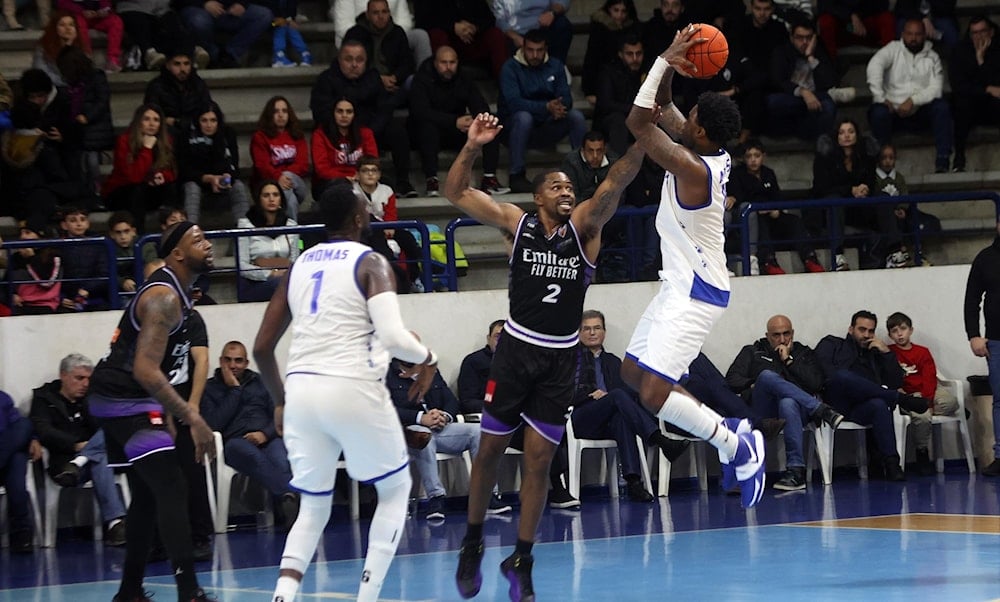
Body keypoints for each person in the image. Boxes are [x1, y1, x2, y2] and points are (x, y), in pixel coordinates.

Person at [445, 107, 644, 598]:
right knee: (490, 448)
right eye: (555, 187)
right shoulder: (516, 224)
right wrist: (472, 146)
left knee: (539, 459)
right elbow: (455, 193)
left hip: (560, 359)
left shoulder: (586, 231)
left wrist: (645, 139)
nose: (566, 192)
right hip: (514, 352)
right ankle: (472, 542)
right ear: (537, 198)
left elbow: (614, 183)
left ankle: (523, 556)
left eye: (569, 187)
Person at [253, 180, 438, 602]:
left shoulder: (298, 265)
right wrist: (429, 357)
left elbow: (261, 347)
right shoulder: (371, 262)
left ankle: (283, 595)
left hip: (301, 391)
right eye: (365, 206)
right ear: (359, 218)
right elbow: (393, 337)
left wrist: (280, 401)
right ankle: (367, 597)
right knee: (394, 491)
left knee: (313, 505)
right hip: (351, 385)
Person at [618, 24, 766, 511]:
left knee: (654, 394)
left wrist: (661, 60)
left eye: (692, 116)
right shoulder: (704, 147)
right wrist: (675, 66)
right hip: (678, 287)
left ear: (698, 131)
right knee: (632, 374)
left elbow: (640, 124)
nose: (685, 119)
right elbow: (664, 109)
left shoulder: (694, 168)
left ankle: (735, 442)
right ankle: (731, 433)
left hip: (695, 293)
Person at [86, 221, 217, 601]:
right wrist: (192, 417)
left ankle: (129, 591)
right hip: (118, 398)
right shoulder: (163, 298)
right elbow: (145, 369)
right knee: (172, 485)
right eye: (199, 240)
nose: (208, 245)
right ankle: (189, 592)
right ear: (177, 253)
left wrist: (164, 414)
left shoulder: (179, 292)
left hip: (137, 399)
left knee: (148, 493)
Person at [571, 309, 689, 502]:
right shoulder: (569, 360)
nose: (592, 333)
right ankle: (660, 440)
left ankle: (633, 482)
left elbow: (630, 393)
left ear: (604, 332)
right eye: (587, 329)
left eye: (597, 328)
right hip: (581, 416)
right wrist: (590, 395)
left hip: (609, 418)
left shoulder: (614, 362)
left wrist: (609, 397)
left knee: (621, 418)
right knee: (617, 396)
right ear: (579, 333)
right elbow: (562, 393)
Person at [725, 315, 844, 491]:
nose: (782, 339)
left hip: (797, 411)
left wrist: (789, 362)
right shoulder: (753, 351)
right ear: (767, 335)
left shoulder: (803, 353)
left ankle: (795, 472)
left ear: (793, 333)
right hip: (762, 410)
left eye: (786, 333)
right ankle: (822, 410)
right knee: (766, 376)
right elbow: (731, 380)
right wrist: (753, 384)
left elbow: (817, 383)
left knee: (787, 402)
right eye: (776, 335)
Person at [384, 353, 511, 519]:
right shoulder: (385, 375)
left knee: (478, 432)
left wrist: (444, 416)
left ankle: (487, 496)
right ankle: (436, 498)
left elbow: (451, 401)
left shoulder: (430, 371)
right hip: (408, 432)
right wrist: (421, 418)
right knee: (424, 436)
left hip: (439, 427)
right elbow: (386, 410)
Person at [814, 310, 931, 481]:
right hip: (837, 403)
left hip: (861, 406)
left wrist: (886, 353)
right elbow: (826, 374)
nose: (866, 335)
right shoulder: (832, 344)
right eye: (862, 330)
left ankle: (892, 464)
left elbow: (896, 381)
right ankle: (900, 399)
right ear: (851, 329)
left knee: (879, 405)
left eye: (870, 331)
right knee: (843, 376)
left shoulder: (874, 352)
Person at [29, 353, 127, 546]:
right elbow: (44, 431)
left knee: (109, 437)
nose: (85, 384)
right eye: (79, 378)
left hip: (91, 463)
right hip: (63, 465)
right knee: (101, 458)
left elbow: (106, 429)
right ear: (63, 375)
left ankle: (80, 461)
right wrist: (75, 444)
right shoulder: (44, 398)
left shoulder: (92, 398)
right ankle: (115, 523)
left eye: (89, 379)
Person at [201, 340, 298, 526]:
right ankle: (292, 494)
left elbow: (279, 413)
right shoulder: (209, 388)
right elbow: (214, 424)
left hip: (267, 438)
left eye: (238, 361)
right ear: (220, 361)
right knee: (251, 455)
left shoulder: (261, 382)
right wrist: (235, 390)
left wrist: (264, 434)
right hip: (234, 443)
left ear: (246, 363)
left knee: (281, 459)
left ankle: (286, 507)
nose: (232, 365)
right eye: (228, 360)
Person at [309, 40, 418, 197]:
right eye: (348, 59)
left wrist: (367, 133)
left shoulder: (373, 77)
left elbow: (384, 109)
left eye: (359, 60)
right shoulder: (325, 80)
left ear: (366, 61)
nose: (354, 64)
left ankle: (403, 182)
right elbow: (321, 113)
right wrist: (348, 127)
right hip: (337, 135)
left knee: (397, 131)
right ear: (339, 60)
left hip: (370, 131)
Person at [408, 45, 508, 196]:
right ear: (435, 63)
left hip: (457, 130)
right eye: (444, 63)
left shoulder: (463, 78)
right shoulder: (422, 79)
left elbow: (479, 104)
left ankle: (489, 179)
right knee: (427, 128)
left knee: (489, 125)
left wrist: (478, 121)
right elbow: (420, 112)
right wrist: (454, 121)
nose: (448, 67)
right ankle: (431, 180)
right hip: (428, 131)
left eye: (452, 62)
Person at [498, 29, 587, 194]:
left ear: (545, 49)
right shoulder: (510, 67)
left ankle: (581, 173)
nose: (535, 55)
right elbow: (514, 103)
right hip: (514, 128)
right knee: (523, 117)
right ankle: (516, 175)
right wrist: (546, 108)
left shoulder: (556, 65)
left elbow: (566, 98)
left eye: (539, 50)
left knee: (576, 116)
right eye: (530, 50)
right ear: (523, 48)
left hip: (546, 124)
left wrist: (558, 108)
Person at [810, 118, 900, 271]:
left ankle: (895, 251)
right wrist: (850, 190)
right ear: (836, 136)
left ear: (857, 135)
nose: (846, 136)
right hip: (833, 209)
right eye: (842, 132)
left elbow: (870, 182)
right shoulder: (824, 159)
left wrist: (865, 189)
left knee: (883, 198)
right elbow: (821, 187)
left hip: (859, 207)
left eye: (850, 132)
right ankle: (837, 254)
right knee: (835, 201)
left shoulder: (866, 158)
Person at [866, 18, 954, 173]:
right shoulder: (892, 49)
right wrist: (881, 97)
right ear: (903, 34)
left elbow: (935, 89)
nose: (913, 38)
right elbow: (874, 67)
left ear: (925, 35)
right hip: (892, 112)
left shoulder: (933, 57)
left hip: (920, 112)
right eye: (909, 34)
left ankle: (943, 160)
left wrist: (913, 101)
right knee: (878, 112)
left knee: (942, 107)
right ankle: (882, 163)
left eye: (918, 34)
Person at [728, 139, 824, 275]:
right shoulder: (737, 174)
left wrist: (776, 209)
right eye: (749, 156)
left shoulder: (768, 173)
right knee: (758, 221)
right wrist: (758, 209)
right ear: (743, 159)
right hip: (752, 218)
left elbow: (777, 197)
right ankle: (769, 261)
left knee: (794, 221)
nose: (753, 160)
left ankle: (810, 257)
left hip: (772, 215)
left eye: (757, 156)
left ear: (763, 156)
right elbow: (739, 199)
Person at [886, 311, 958, 475]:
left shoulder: (922, 351)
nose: (899, 334)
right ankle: (922, 451)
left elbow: (929, 377)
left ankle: (931, 407)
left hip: (928, 390)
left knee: (951, 402)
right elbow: (888, 376)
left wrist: (929, 401)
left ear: (911, 330)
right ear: (890, 335)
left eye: (903, 329)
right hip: (909, 395)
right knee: (922, 415)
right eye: (894, 331)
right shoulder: (889, 353)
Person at [102, 103, 178, 233]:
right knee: (137, 190)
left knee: (171, 187)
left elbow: (172, 171)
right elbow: (133, 177)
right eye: (146, 119)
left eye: (156, 120)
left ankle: (173, 233)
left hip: (146, 190)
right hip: (120, 193)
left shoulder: (166, 141)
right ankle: (139, 239)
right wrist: (146, 149)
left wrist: (162, 176)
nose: (152, 124)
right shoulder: (124, 141)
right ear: (139, 122)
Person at [353, 155, 424, 292]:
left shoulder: (387, 191)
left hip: (386, 226)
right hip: (366, 230)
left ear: (379, 174)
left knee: (407, 238)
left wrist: (390, 225)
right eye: (365, 170)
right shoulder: (353, 192)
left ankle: (415, 277)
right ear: (357, 174)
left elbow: (391, 212)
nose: (370, 174)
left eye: (374, 170)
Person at [963, 220, 1000, 476]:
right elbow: (972, 299)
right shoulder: (985, 258)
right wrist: (974, 335)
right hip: (996, 340)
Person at [766, 16, 840, 141]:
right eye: (800, 38)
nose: (805, 42)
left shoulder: (820, 52)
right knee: (773, 101)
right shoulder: (782, 51)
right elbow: (778, 81)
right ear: (792, 38)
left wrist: (811, 58)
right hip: (791, 99)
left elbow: (829, 80)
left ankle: (822, 144)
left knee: (828, 106)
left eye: (809, 37)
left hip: (815, 101)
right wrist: (803, 92)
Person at [178, 100, 250, 226]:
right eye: (204, 120)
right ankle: (190, 231)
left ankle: (244, 233)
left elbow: (234, 168)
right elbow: (184, 170)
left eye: (213, 120)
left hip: (221, 180)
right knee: (192, 188)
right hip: (197, 180)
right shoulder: (187, 136)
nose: (209, 125)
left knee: (238, 186)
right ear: (197, 121)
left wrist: (227, 176)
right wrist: (208, 178)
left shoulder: (227, 134)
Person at [948, 16, 1000, 173]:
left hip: (994, 106)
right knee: (961, 105)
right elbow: (960, 87)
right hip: (971, 105)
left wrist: (982, 62)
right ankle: (959, 160)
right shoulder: (960, 51)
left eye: (982, 31)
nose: (979, 36)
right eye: (974, 33)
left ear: (991, 32)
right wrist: (986, 89)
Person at [236, 180, 300, 302]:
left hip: (285, 278)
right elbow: (242, 266)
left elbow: (295, 260)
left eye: (275, 195)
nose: (271, 199)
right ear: (259, 199)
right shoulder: (245, 225)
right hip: (255, 283)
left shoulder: (291, 225)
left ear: (281, 199)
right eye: (266, 195)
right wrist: (270, 274)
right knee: (283, 284)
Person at [344, 0, 415, 106]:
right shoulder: (355, 34)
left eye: (384, 12)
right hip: (365, 84)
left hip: (395, 84)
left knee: (414, 82)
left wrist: (395, 77)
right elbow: (350, 65)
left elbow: (407, 63)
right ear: (367, 15)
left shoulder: (397, 32)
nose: (381, 16)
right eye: (376, 13)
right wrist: (378, 80)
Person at [413, 0, 506, 79]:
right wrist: (453, 26)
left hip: (471, 39)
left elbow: (489, 19)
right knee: (437, 35)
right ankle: (442, 86)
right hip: (447, 40)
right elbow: (422, 21)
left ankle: (505, 85)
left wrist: (474, 27)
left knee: (495, 34)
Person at [250, 95, 308, 219]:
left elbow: (303, 164)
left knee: (287, 185)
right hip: (269, 183)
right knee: (290, 200)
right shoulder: (260, 137)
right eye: (276, 111)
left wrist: (284, 176)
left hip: (295, 183)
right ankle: (293, 236)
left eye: (284, 111)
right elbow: (262, 165)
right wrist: (278, 177)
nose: (281, 115)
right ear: (269, 114)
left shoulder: (297, 135)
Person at [310, 97, 378, 200]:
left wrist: (359, 176)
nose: (344, 115)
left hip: (360, 178)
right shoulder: (320, 134)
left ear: (354, 114)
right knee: (343, 188)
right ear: (333, 113)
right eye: (340, 111)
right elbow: (322, 168)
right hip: (330, 182)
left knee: (384, 185)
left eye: (349, 112)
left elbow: (372, 161)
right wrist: (345, 178)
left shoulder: (365, 133)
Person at [0, 390, 42, 554]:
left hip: (6, 455)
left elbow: (17, 425)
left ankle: (21, 533)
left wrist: (33, 439)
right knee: (16, 458)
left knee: (24, 425)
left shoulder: (3, 399)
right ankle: (21, 531)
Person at [177, 0, 272, 68]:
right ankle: (212, 56)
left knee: (263, 15)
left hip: (230, 10)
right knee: (198, 21)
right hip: (199, 9)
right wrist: (204, 4)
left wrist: (242, 4)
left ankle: (230, 55)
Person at [142, 43, 213, 135]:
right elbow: (151, 115)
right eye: (177, 64)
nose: (182, 69)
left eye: (186, 64)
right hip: (166, 134)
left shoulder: (198, 84)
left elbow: (208, 110)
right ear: (168, 65)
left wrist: (181, 122)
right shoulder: (156, 86)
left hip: (195, 131)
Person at [593, 33, 644, 156]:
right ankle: (618, 165)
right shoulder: (608, 72)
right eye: (630, 54)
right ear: (621, 54)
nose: (635, 58)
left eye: (639, 53)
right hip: (613, 122)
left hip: (639, 120)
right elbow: (606, 104)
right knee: (618, 120)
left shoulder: (647, 71)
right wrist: (635, 109)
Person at [582, 0, 639, 103]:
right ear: (609, 10)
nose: (619, 15)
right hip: (604, 80)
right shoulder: (599, 29)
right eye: (616, 10)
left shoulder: (633, 27)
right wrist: (589, 91)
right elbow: (591, 60)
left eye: (624, 11)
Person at [57, 206, 109, 311]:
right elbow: (53, 277)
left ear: (88, 223)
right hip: (67, 301)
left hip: (94, 299)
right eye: (73, 220)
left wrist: (87, 289)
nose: (79, 224)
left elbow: (104, 273)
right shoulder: (57, 247)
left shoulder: (99, 244)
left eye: (83, 219)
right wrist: (60, 297)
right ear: (64, 225)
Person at [493, 0, 573, 65]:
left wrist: (552, 13)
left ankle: (557, 67)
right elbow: (499, 20)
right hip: (517, 34)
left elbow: (562, 3)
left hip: (542, 28)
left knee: (562, 24)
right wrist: (515, 37)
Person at [56, 0, 124, 72]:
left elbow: (106, 3)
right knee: (78, 22)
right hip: (78, 15)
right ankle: (87, 58)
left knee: (116, 21)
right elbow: (61, 3)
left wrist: (104, 10)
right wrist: (81, 11)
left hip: (97, 17)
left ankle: (112, 61)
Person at [816, 0, 894, 60]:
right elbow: (824, 5)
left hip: (866, 24)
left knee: (887, 19)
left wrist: (858, 15)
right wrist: (850, 15)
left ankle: (890, 64)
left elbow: (883, 4)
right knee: (825, 21)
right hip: (841, 26)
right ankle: (830, 65)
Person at [457, 319, 505, 415]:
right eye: (497, 336)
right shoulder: (474, 361)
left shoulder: (521, 363)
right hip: (486, 414)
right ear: (489, 338)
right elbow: (468, 402)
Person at [33, 11, 88, 86]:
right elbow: (41, 72)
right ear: (55, 28)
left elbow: (84, 72)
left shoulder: (79, 46)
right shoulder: (43, 47)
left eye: (71, 25)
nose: (68, 28)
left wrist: (69, 45)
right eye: (62, 25)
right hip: (52, 87)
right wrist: (65, 83)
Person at [560, 131, 617, 202]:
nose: (595, 156)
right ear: (583, 150)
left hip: (608, 208)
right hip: (580, 207)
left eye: (599, 151)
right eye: (590, 151)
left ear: (605, 150)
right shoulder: (571, 162)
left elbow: (620, 195)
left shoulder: (614, 162)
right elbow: (571, 196)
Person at [264, 0, 311, 67]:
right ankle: (279, 55)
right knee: (281, 25)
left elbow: (290, 13)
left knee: (289, 27)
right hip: (268, 22)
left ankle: (304, 54)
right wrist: (287, 20)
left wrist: (290, 19)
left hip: (283, 21)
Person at [107, 211, 139, 294]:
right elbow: (104, 272)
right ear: (111, 234)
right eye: (118, 233)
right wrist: (121, 282)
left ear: (134, 231)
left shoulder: (145, 245)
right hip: (118, 292)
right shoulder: (106, 249)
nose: (123, 237)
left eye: (126, 231)